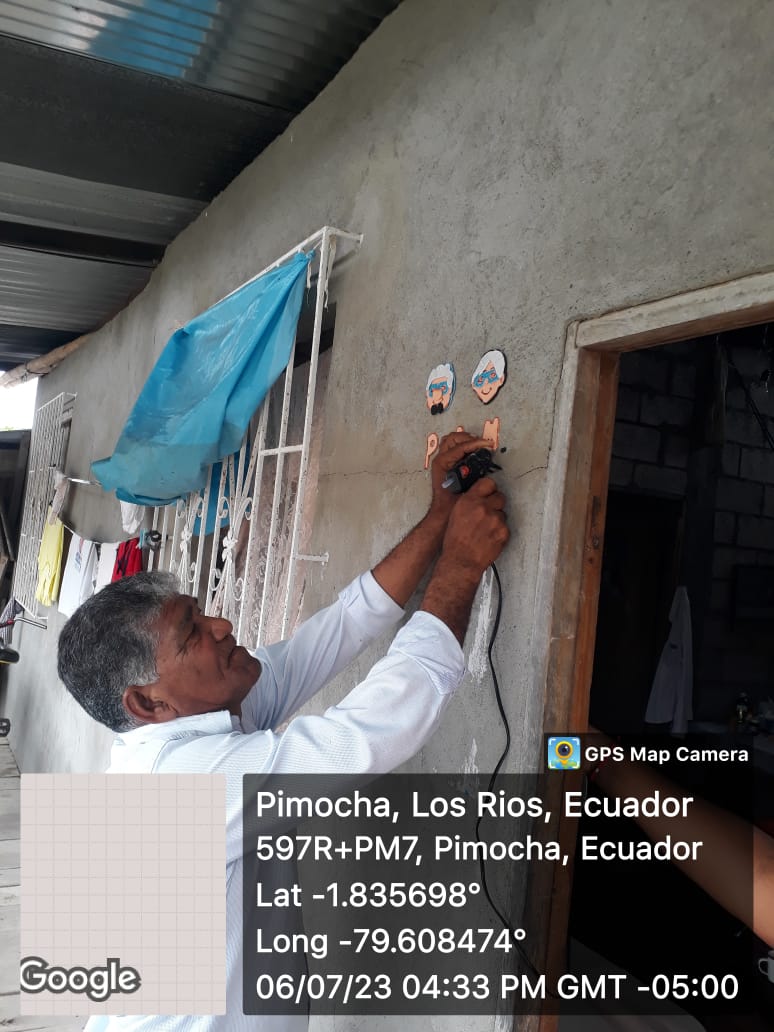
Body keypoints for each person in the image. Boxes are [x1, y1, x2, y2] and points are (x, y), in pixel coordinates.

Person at [57, 431, 510, 1032]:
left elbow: (339, 628)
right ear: (148, 702)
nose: (221, 625)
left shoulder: (197, 717)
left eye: (200, 611)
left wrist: (439, 517)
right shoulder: (178, 789)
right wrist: (459, 569)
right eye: (193, 633)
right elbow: (367, 737)